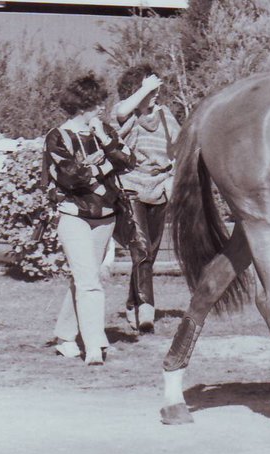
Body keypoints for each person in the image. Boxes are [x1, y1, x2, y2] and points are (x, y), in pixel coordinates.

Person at [46, 73, 136, 365]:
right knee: (90, 282)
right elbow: (71, 177)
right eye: (97, 103)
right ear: (82, 105)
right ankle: (96, 345)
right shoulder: (58, 136)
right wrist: (103, 167)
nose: (101, 108)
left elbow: (128, 159)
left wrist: (103, 146)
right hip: (74, 215)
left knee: (85, 279)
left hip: (106, 216)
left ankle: (64, 336)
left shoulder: (103, 130)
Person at [110, 64, 180, 334]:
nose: (155, 94)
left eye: (156, 89)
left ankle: (132, 303)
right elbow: (121, 111)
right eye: (150, 89)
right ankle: (147, 309)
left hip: (159, 187)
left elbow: (179, 145)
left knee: (148, 252)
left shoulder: (164, 116)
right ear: (136, 90)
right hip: (131, 186)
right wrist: (146, 87)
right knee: (140, 247)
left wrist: (174, 172)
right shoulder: (127, 116)